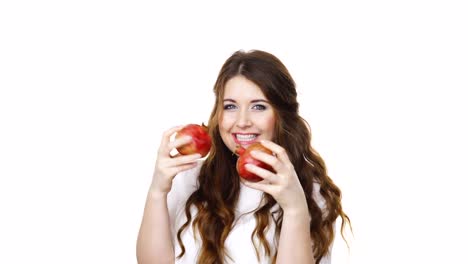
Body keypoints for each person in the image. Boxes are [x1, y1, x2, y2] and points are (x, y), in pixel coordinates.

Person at [136, 50, 351, 264]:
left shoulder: (309, 191)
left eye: (258, 106)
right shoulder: (189, 178)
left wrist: (294, 208)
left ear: (281, 116)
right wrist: (158, 190)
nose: (242, 121)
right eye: (230, 106)